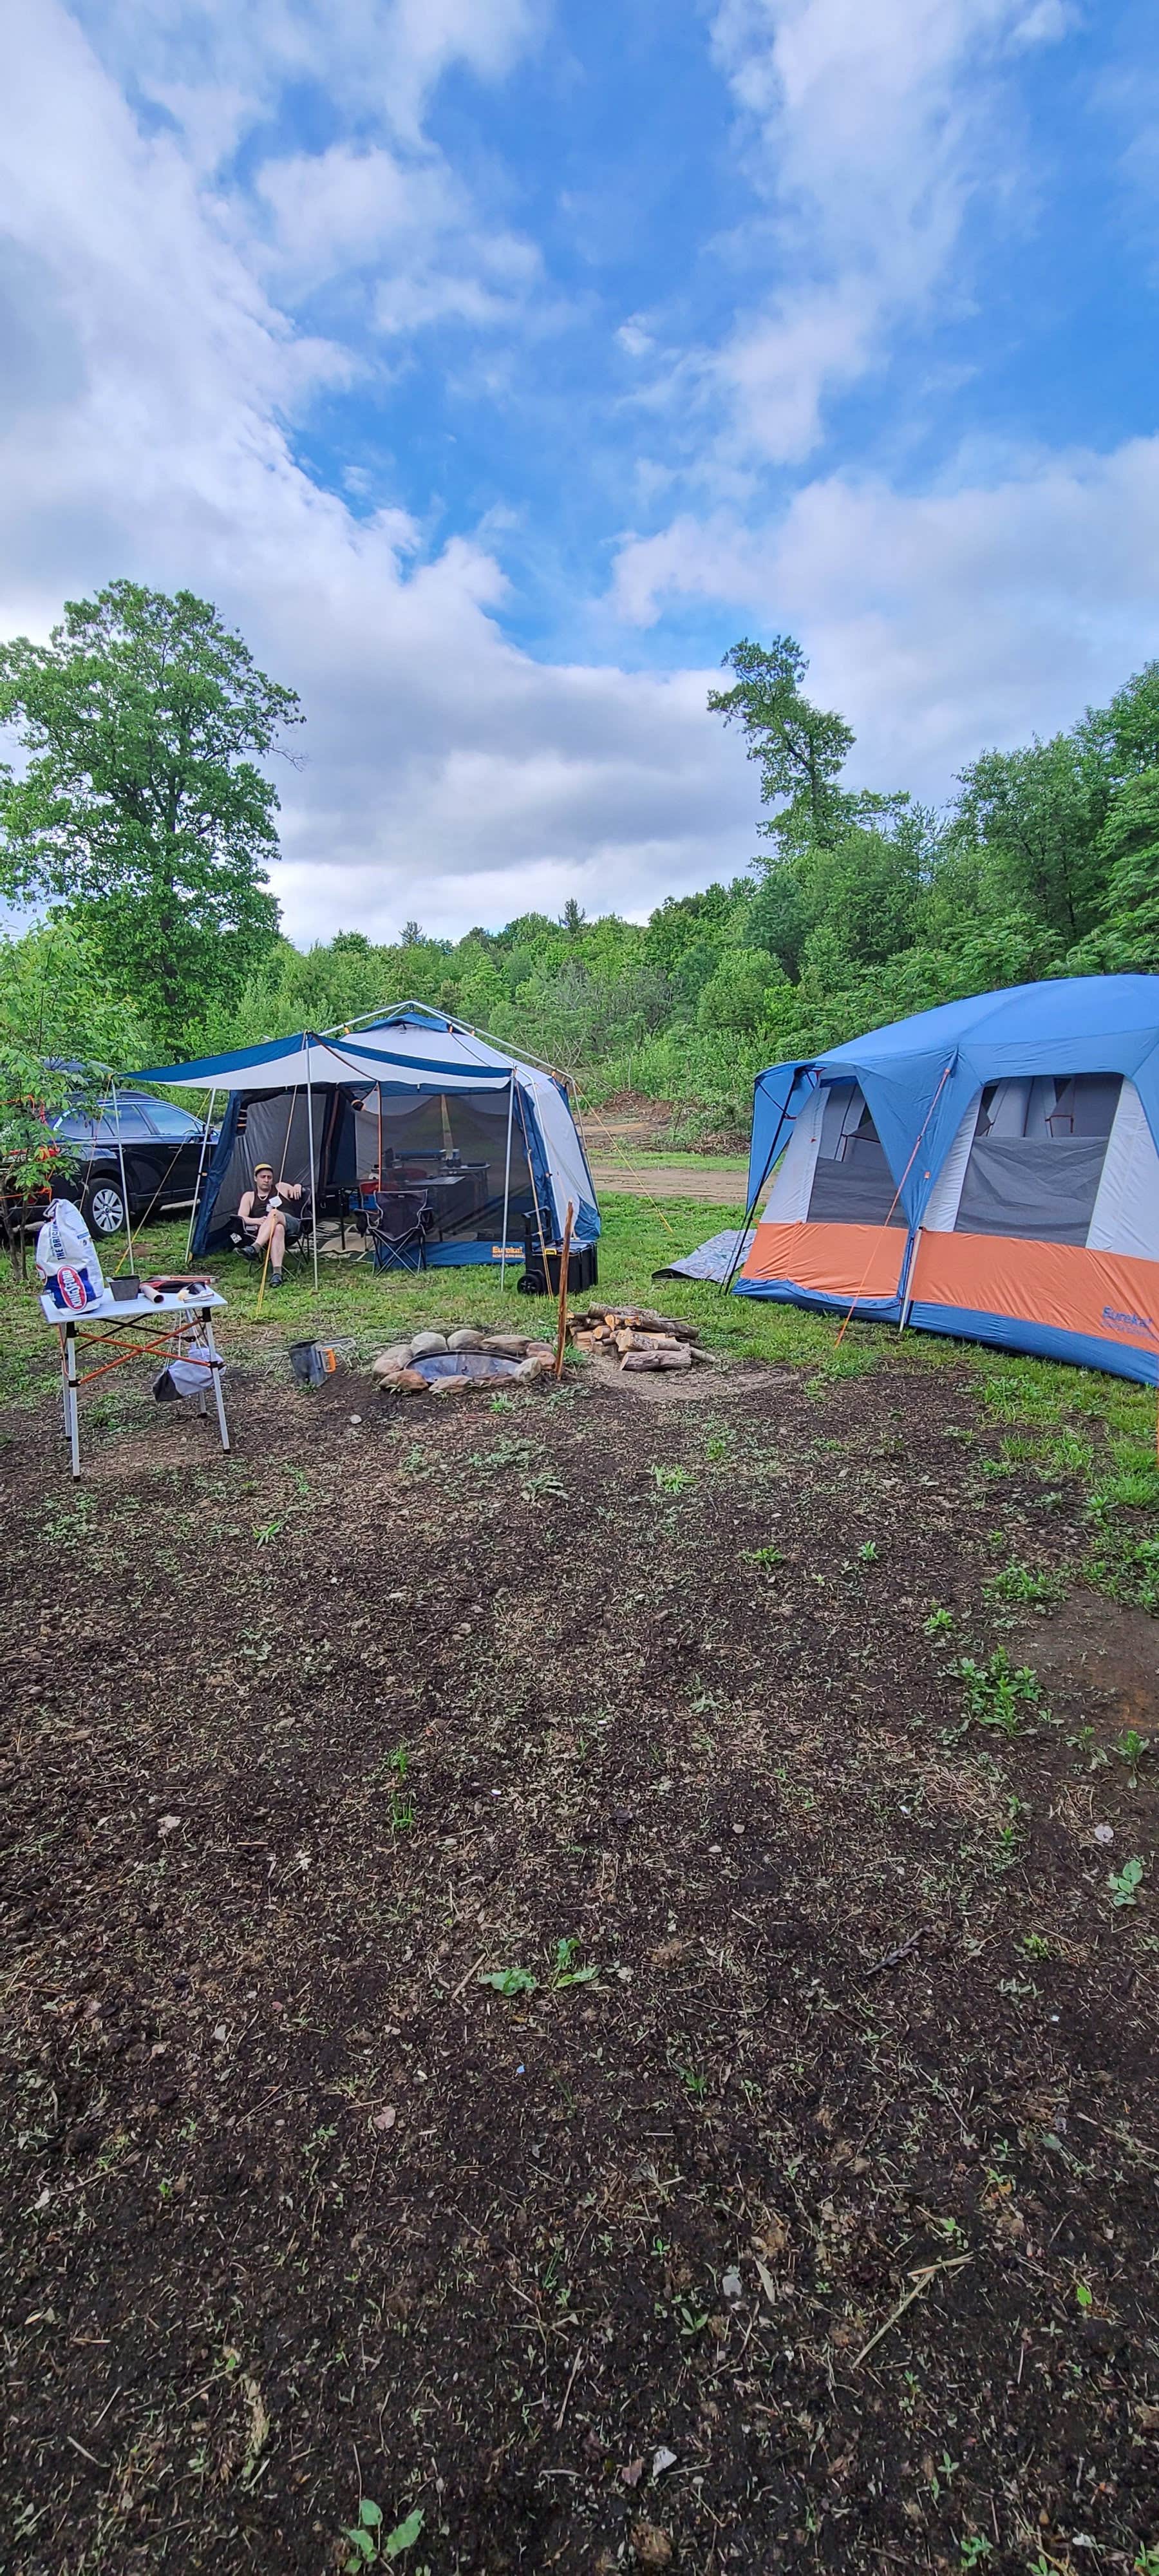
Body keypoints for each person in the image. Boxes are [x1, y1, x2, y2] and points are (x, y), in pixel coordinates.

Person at [233, 1164, 304, 1284]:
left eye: (269, 1177)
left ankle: (255, 1248)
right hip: (267, 1231)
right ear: (256, 1178)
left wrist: (298, 1186)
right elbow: (242, 1217)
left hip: (292, 1226)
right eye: (263, 1177)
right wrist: (256, 1220)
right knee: (278, 1229)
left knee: (274, 1213)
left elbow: (298, 1190)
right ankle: (277, 1274)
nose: (266, 1180)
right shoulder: (249, 1196)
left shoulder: (281, 1187)